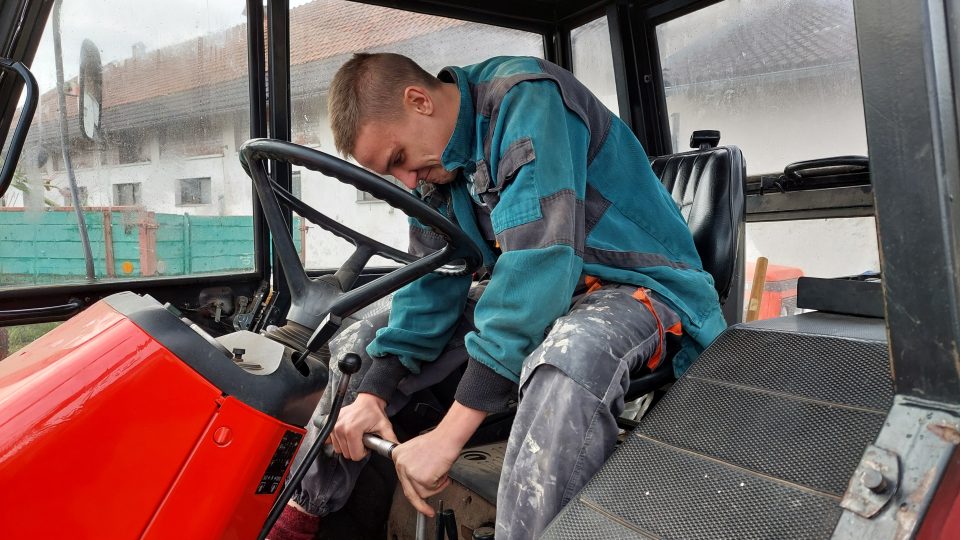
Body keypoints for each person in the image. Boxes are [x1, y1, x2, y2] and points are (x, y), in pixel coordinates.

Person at [269, 52, 726, 540]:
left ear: (419, 100)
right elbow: (433, 284)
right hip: (552, 288)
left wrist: (448, 437)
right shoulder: (437, 165)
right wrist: (372, 393)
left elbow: (539, 264)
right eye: (390, 172)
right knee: (363, 337)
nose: (405, 180)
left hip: (634, 284)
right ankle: (299, 518)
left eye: (399, 159)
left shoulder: (526, 100)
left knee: (566, 362)